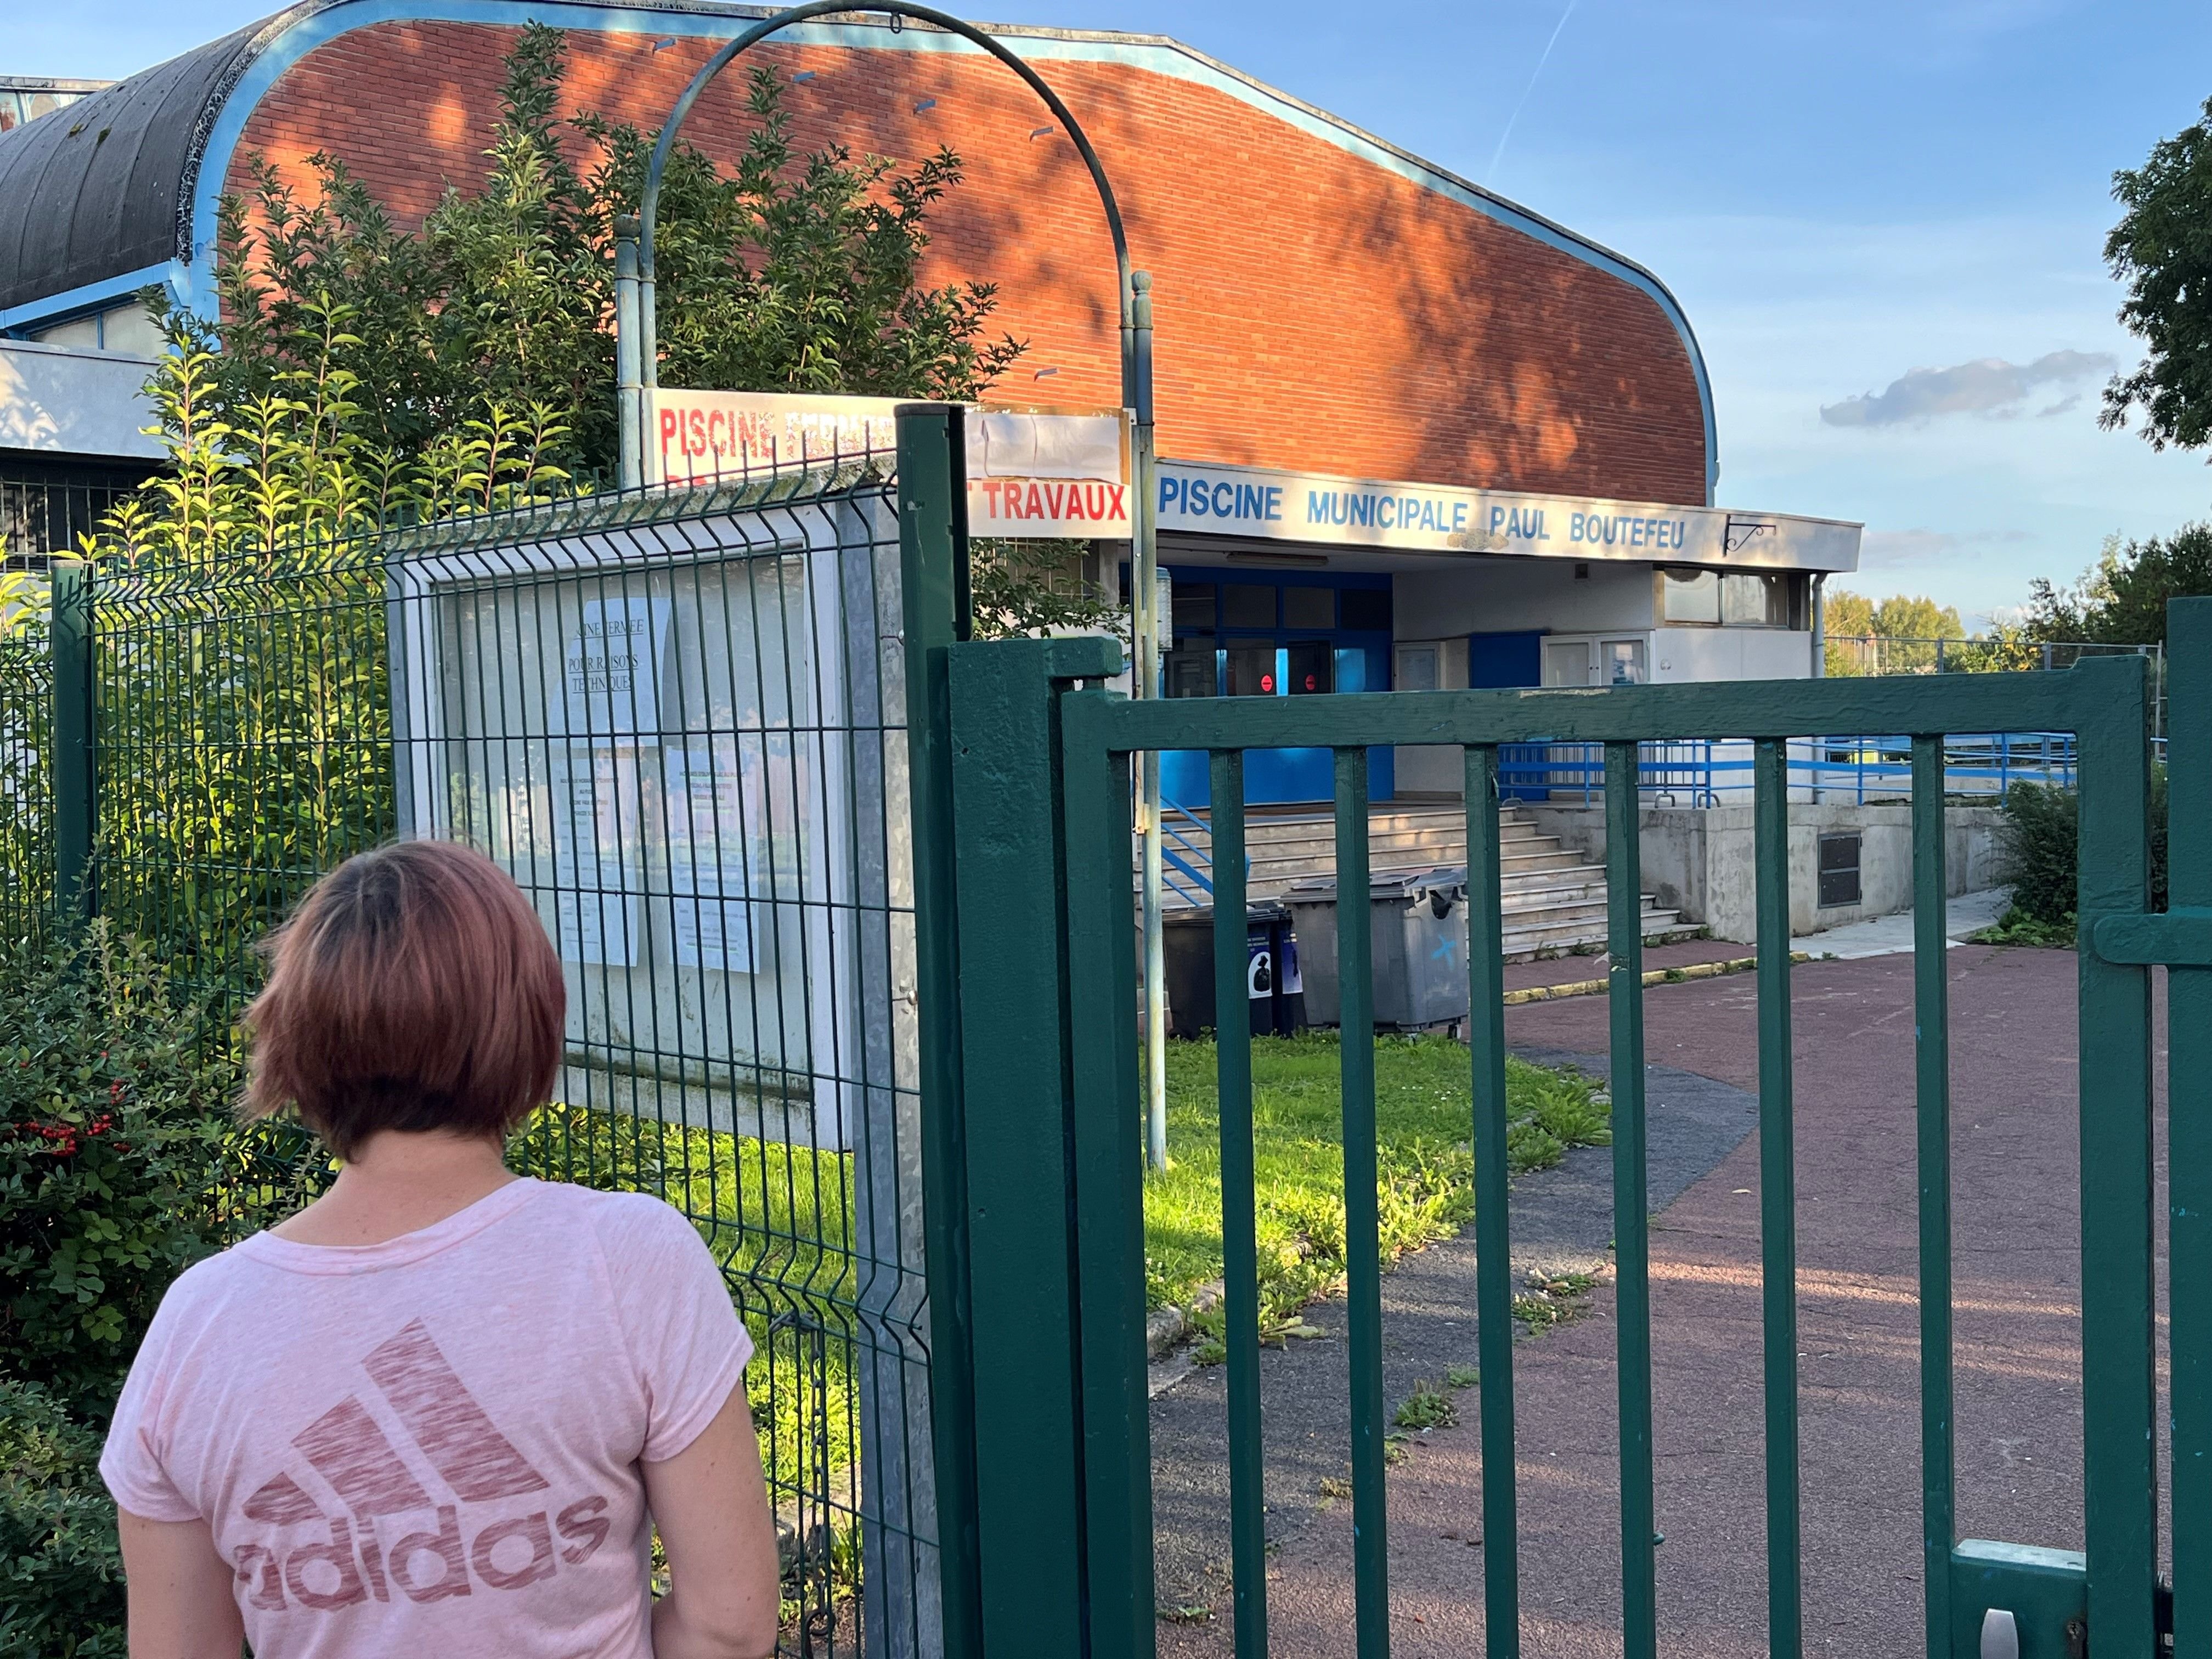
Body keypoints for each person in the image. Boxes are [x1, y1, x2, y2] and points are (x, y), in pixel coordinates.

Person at [100, 839, 782, 1659]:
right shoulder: (626, 1259)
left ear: (295, 1036)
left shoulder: (198, 1325)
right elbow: (728, 1625)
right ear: (527, 1017)